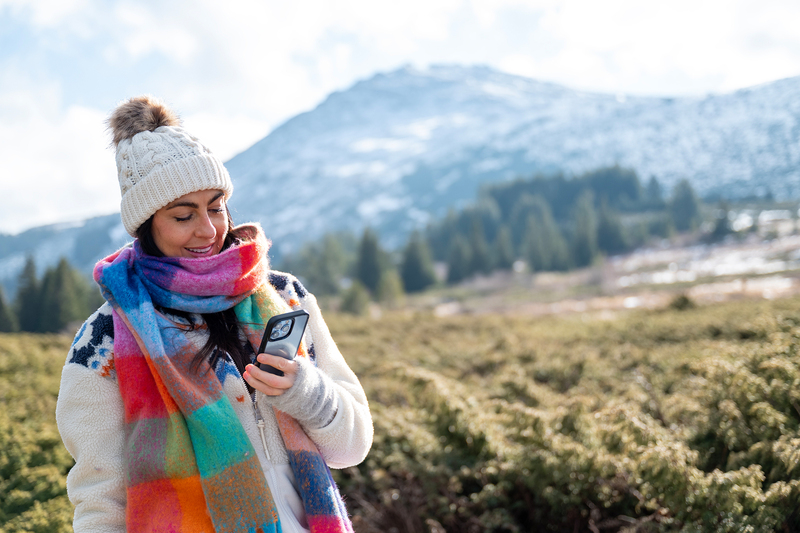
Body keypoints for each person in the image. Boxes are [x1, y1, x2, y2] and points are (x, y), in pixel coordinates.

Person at [56, 95, 373, 533]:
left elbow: (353, 446)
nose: (208, 230)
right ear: (148, 223)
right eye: (183, 215)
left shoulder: (283, 295)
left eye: (216, 206)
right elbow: (100, 499)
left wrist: (304, 390)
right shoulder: (105, 340)